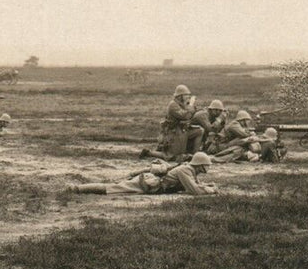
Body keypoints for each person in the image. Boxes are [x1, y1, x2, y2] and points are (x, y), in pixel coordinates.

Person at [69, 152, 218, 195]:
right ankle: (78, 189)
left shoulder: (189, 170)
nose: (208, 168)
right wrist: (210, 190)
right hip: (148, 184)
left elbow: (194, 185)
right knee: (113, 188)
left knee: (115, 187)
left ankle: (79, 188)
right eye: (206, 165)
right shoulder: (185, 170)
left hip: (151, 184)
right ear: (200, 165)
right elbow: (194, 190)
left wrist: (207, 186)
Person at [159, 84, 201, 159]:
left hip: (182, 130)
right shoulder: (173, 105)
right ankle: (149, 153)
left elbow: (190, 114)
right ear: (180, 96)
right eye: (186, 95)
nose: (188, 97)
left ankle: (195, 155)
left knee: (199, 131)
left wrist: (191, 107)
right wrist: (191, 105)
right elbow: (185, 116)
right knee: (174, 156)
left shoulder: (182, 104)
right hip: (173, 133)